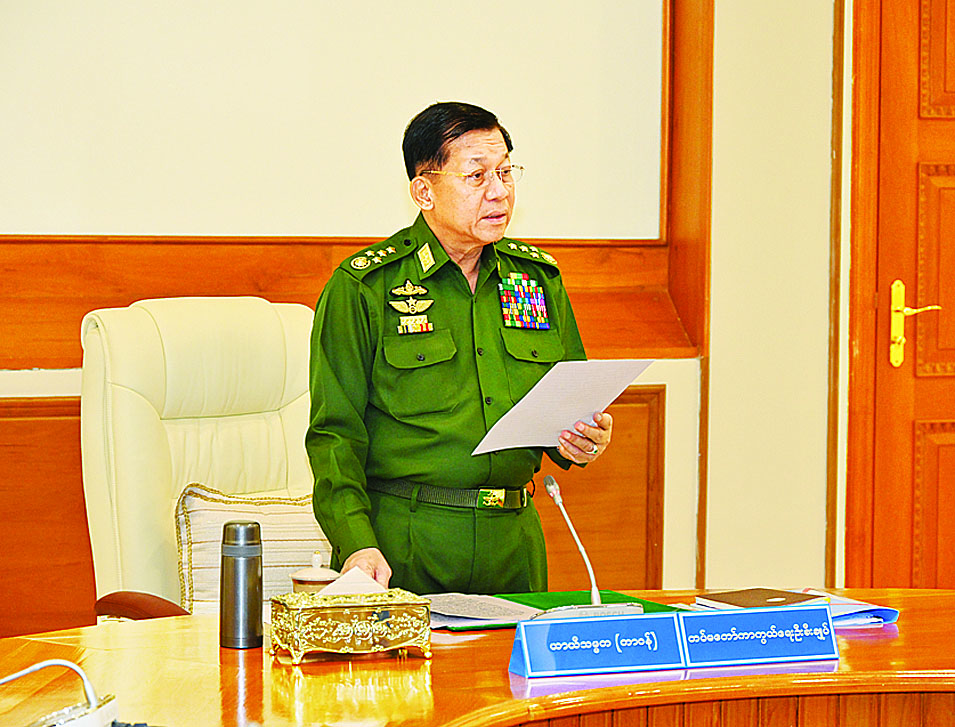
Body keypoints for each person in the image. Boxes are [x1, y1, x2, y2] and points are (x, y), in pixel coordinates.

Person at [306, 101, 613, 595]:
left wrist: (584, 437)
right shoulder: (366, 287)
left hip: (513, 540)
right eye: (476, 176)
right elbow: (334, 435)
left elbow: (569, 402)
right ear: (423, 191)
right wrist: (356, 543)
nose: (499, 192)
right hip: (407, 539)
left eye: (506, 172)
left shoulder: (535, 280)